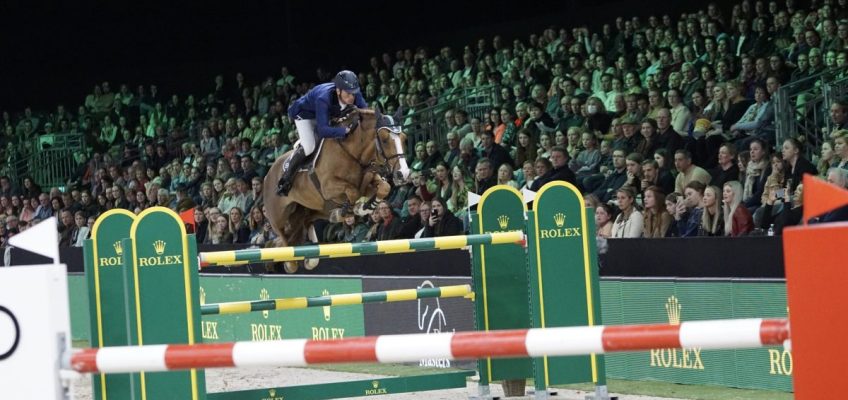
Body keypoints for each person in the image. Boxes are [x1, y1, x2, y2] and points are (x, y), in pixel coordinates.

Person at [277, 70, 367, 195]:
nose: (352, 97)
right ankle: (286, 178)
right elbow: (323, 130)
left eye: (354, 93)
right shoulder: (324, 98)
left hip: (328, 113)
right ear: (338, 90)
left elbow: (366, 113)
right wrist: (344, 131)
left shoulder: (352, 92)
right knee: (309, 147)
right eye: (348, 93)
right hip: (305, 115)